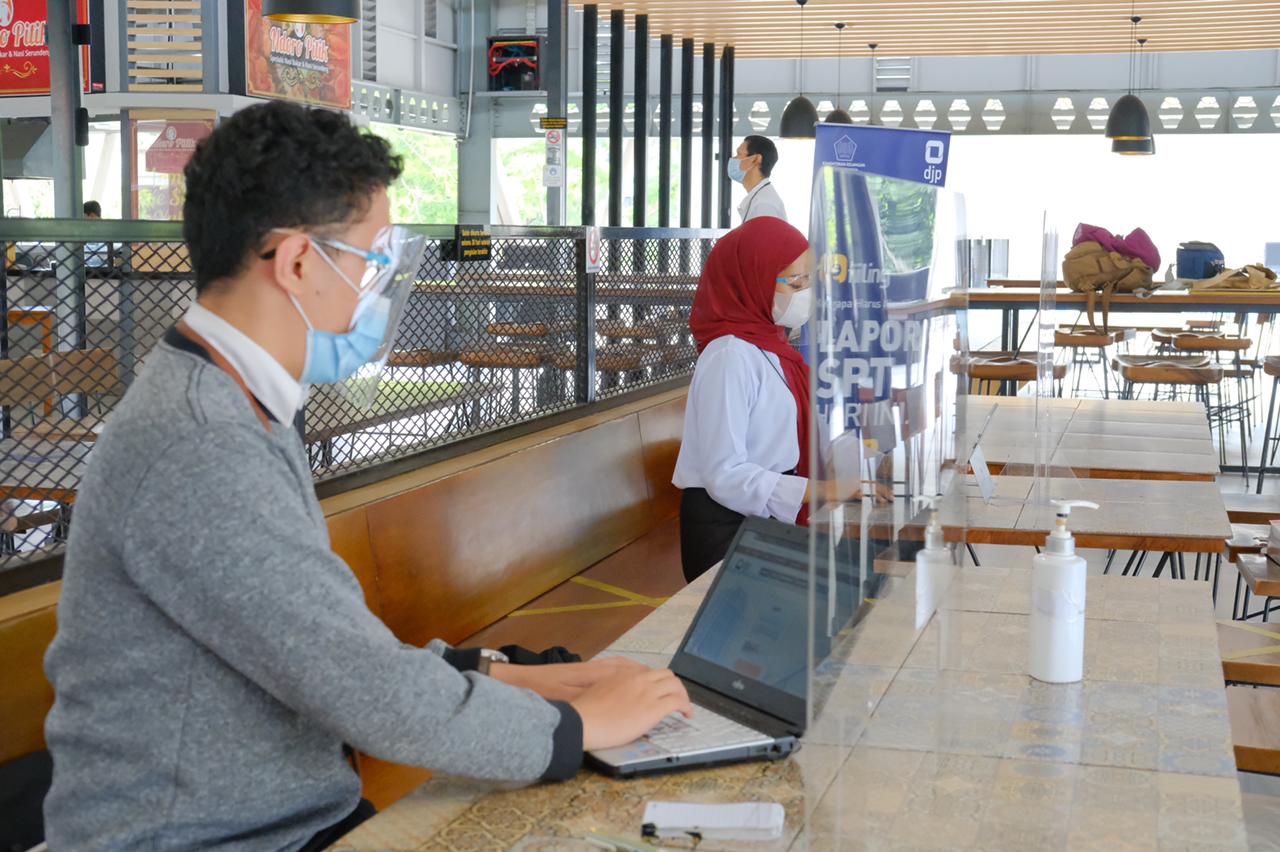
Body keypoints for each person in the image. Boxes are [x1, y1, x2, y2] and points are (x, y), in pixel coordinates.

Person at [42, 101, 691, 851]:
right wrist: (576, 727)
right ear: (296, 263)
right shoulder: (200, 441)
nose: (377, 284)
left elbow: (321, 641)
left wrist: (513, 677)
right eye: (370, 258)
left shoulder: (233, 399)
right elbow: (362, 689)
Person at [673, 217, 860, 582]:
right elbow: (725, 474)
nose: (806, 292)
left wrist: (857, 469)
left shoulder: (772, 347)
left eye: (809, 279)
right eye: (795, 282)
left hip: (766, 515)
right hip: (727, 529)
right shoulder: (729, 356)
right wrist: (823, 490)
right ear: (753, 280)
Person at [729, 135, 787, 224]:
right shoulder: (760, 198)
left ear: (756, 159)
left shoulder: (764, 205)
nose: (733, 159)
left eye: (739, 154)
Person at [82, 200, 111, 269]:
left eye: (84, 217)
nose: (82, 221)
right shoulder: (109, 228)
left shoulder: (88, 231)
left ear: (91, 215)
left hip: (96, 269)